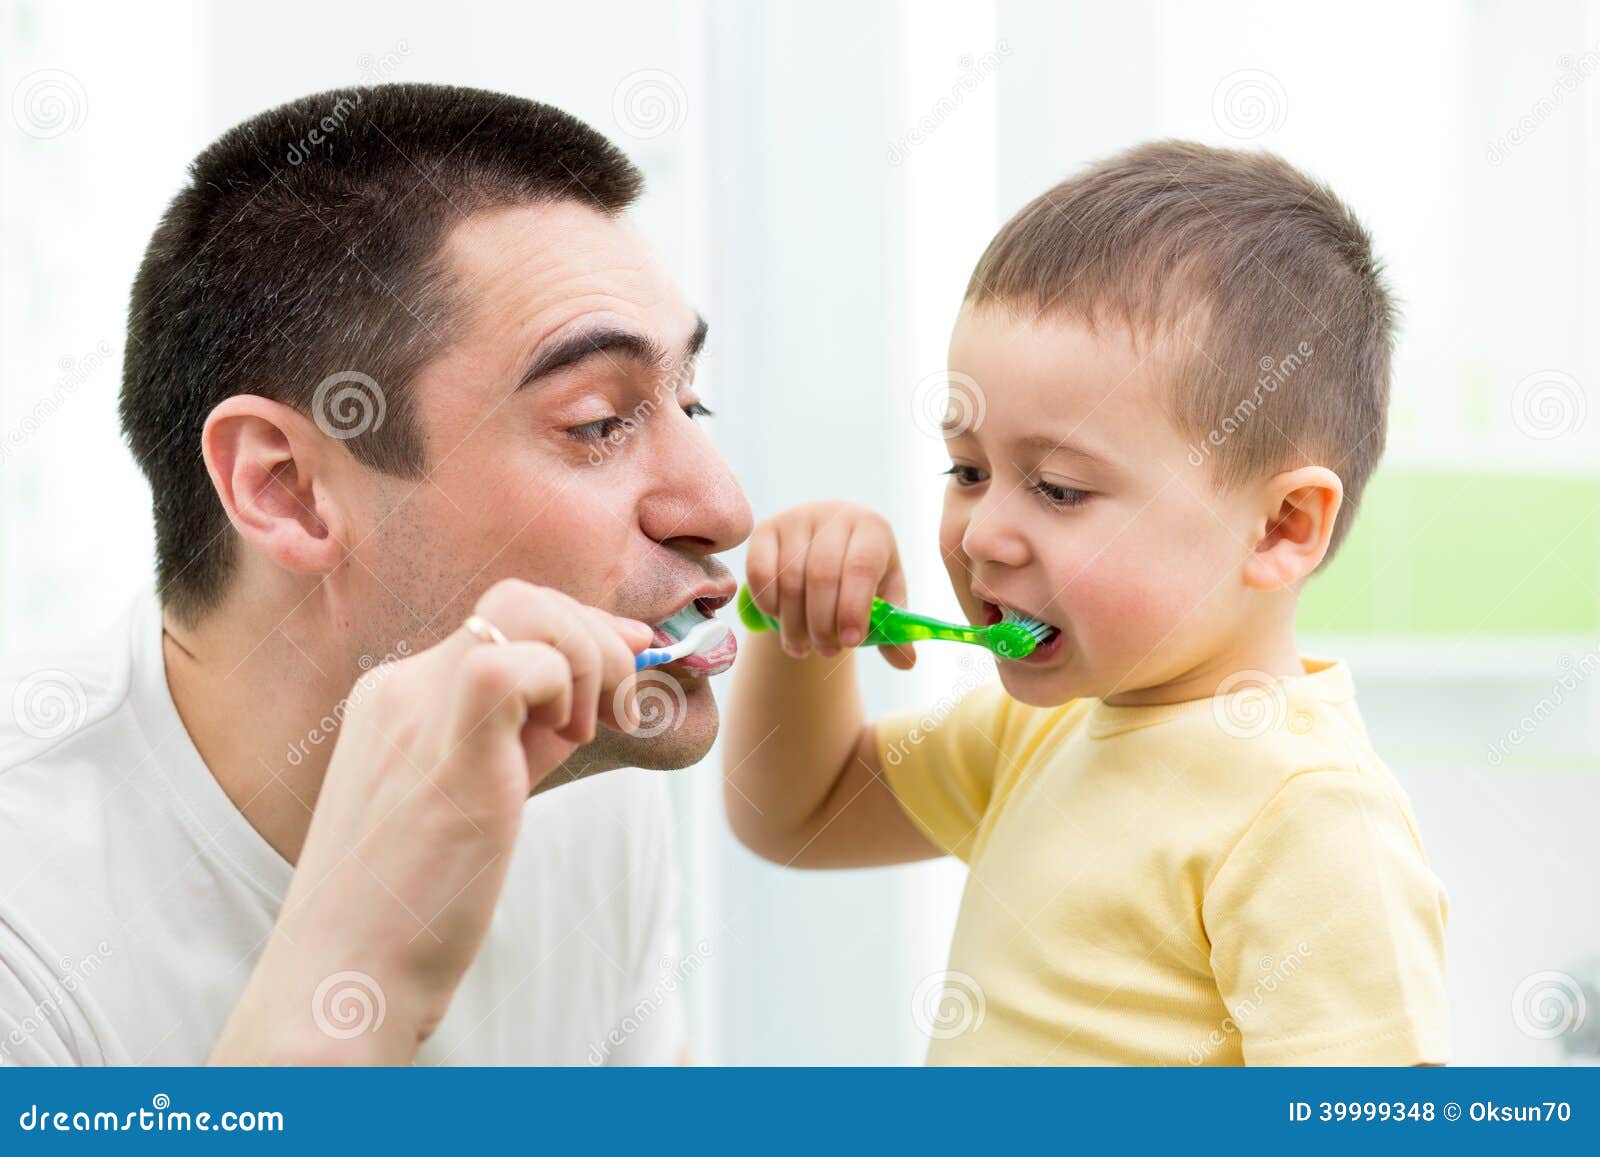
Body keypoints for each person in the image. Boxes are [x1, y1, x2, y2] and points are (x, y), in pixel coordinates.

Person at [0, 83, 751, 1065]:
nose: (723, 505)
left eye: (689, 405)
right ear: (287, 489)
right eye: (597, 421)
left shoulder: (582, 790)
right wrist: (354, 967)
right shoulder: (27, 933)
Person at [725, 141, 1450, 1065]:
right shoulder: (1034, 733)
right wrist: (807, 633)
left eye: (1059, 488)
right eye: (968, 469)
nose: (983, 532)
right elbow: (797, 815)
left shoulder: (1307, 810)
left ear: (1279, 527)